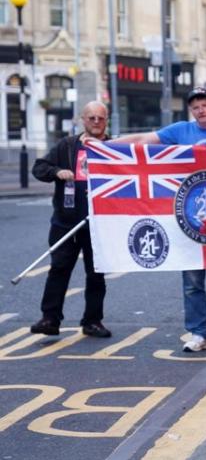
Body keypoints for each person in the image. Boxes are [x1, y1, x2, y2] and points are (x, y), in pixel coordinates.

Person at [116, 87, 206, 352]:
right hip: (190, 215)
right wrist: (107, 145)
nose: (200, 110)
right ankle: (199, 333)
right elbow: (144, 140)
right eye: (195, 107)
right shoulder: (180, 131)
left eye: (204, 105)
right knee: (192, 277)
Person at [29, 101, 113, 339]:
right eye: (91, 118)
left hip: (99, 224)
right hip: (66, 222)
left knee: (96, 273)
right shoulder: (67, 146)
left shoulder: (113, 147)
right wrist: (56, 172)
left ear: (107, 120)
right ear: (82, 120)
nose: (96, 122)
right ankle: (50, 319)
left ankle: (93, 321)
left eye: (101, 118)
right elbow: (39, 167)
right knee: (59, 269)